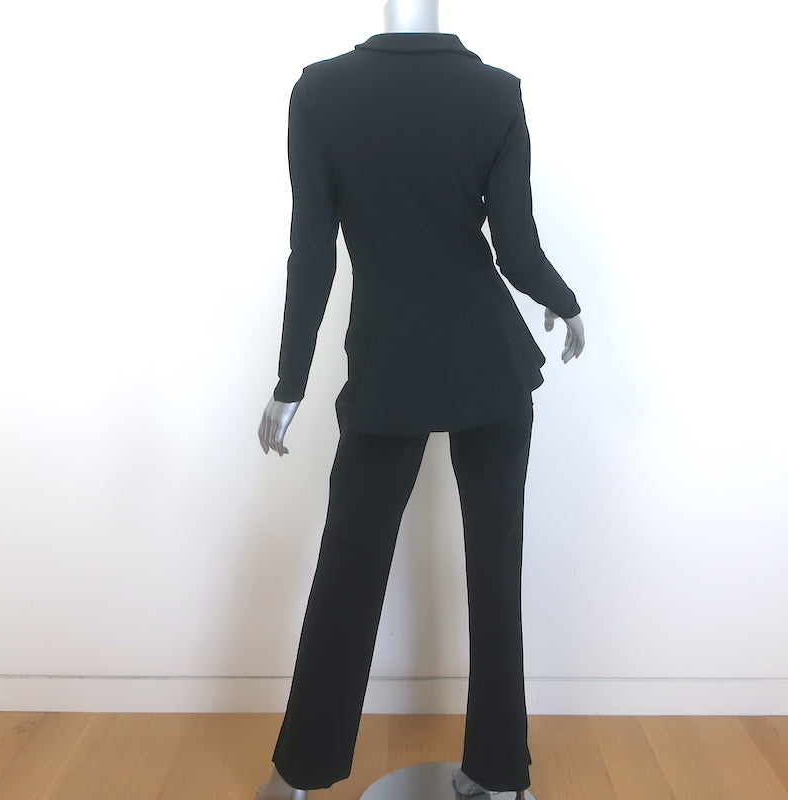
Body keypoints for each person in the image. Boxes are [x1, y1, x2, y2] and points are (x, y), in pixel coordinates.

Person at [256, 3, 585, 799]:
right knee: (495, 570)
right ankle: (500, 777)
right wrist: (564, 301)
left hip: (389, 365)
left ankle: (298, 778)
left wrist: (291, 382)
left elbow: (312, 254)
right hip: (490, 363)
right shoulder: (496, 93)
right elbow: (516, 246)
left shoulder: (320, 92)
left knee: (349, 565)